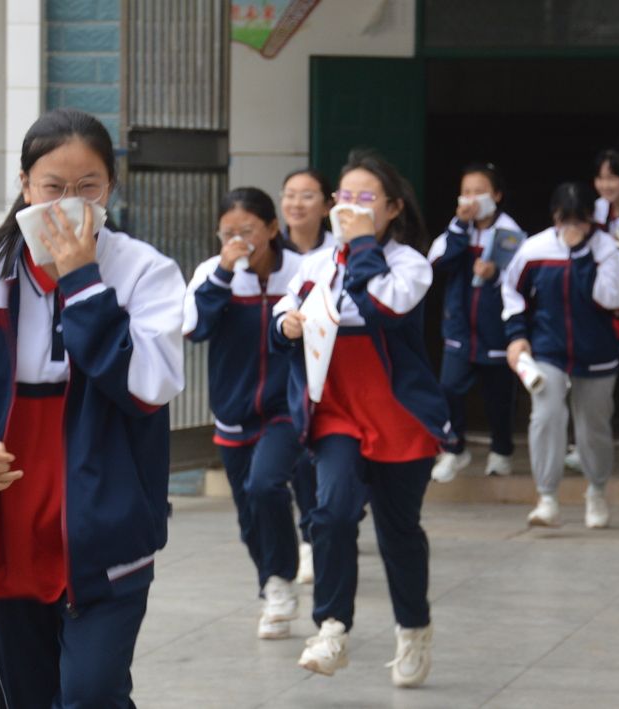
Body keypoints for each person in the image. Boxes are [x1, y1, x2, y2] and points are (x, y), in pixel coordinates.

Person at [0, 108, 186, 707]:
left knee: (92, 694)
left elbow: (148, 386)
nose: (69, 203)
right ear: (25, 186)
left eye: (88, 187)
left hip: (108, 533)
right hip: (10, 529)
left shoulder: (145, 272)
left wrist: (83, 282)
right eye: (53, 186)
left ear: (110, 189)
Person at [273, 149, 451, 687]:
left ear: (394, 208)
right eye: (344, 196)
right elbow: (286, 306)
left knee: (399, 533)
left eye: (365, 197)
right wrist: (286, 324)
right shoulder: (316, 262)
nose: (350, 206)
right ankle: (331, 628)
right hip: (336, 411)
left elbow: (384, 308)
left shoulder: (410, 263)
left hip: (397, 414)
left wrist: (363, 246)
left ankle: (413, 628)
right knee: (331, 513)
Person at [183, 187, 306, 640]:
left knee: (266, 484)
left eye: (248, 231)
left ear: (272, 229)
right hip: (233, 410)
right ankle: (272, 585)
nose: (238, 241)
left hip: (287, 405)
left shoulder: (301, 272)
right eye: (228, 233)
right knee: (248, 514)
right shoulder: (211, 274)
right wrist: (222, 274)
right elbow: (194, 329)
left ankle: (281, 581)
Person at [502, 183, 619, 529]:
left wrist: (582, 254)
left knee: (593, 427)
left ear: (592, 218)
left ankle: (596, 491)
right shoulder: (535, 248)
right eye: (564, 219)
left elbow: (610, 298)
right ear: (554, 216)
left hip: (597, 352)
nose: (572, 227)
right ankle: (547, 498)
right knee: (546, 416)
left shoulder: (605, 248)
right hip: (548, 348)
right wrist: (517, 335)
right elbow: (512, 291)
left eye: (580, 220)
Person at [428, 162, 520, 482]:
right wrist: (459, 226)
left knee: (499, 397)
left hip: (496, 330)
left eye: (479, 192)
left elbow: (523, 279)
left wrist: (495, 275)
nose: (471, 198)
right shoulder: (457, 228)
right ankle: (453, 450)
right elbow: (436, 261)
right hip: (459, 328)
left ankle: (501, 451)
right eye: (465, 192)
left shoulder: (510, 232)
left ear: (496, 194)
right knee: (449, 388)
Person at [279, 168, 338, 585]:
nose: (296, 203)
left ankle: (327, 527)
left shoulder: (338, 253)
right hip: (281, 370)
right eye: (289, 194)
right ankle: (308, 539)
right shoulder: (268, 250)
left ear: (328, 205)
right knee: (299, 460)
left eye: (307, 195)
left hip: (329, 372)